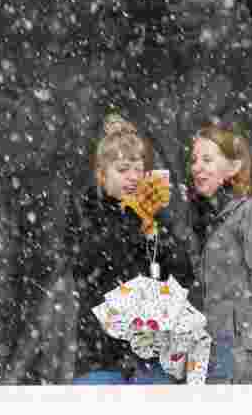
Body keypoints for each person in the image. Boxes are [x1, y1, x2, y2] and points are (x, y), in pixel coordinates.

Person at [67, 114, 195, 385]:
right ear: (102, 175)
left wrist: (155, 229)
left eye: (138, 169)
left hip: (153, 352)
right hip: (101, 352)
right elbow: (85, 266)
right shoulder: (85, 210)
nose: (133, 177)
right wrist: (131, 222)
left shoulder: (154, 215)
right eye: (123, 170)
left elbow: (183, 273)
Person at [189, 122, 252, 384]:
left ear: (233, 167)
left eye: (207, 159)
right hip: (215, 351)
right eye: (194, 160)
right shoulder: (212, 220)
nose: (197, 166)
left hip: (245, 352)